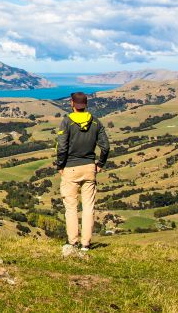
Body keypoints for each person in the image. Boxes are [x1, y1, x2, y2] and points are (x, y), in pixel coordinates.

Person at [55, 91, 110, 253]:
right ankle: (86, 244)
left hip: (71, 168)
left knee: (71, 207)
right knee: (88, 207)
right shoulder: (95, 122)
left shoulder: (67, 122)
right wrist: (100, 164)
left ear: (72, 103)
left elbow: (62, 147)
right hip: (89, 168)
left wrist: (60, 165)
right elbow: (105, 147)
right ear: (85, 105)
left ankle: (72, 242)